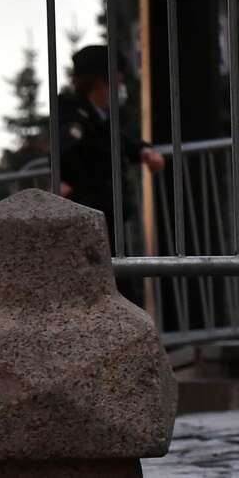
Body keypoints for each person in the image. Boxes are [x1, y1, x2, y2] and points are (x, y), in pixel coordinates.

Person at [55, 43, 164, 305]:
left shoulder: (104, 116)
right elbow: (69, 153)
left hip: (109, 215)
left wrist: (144, 151)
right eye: (117, 79)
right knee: (109, 288)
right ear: (100, 81)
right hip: (89, 214)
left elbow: (124, 142)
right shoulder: (73, 114)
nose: (120, 86)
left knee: (119, 284)